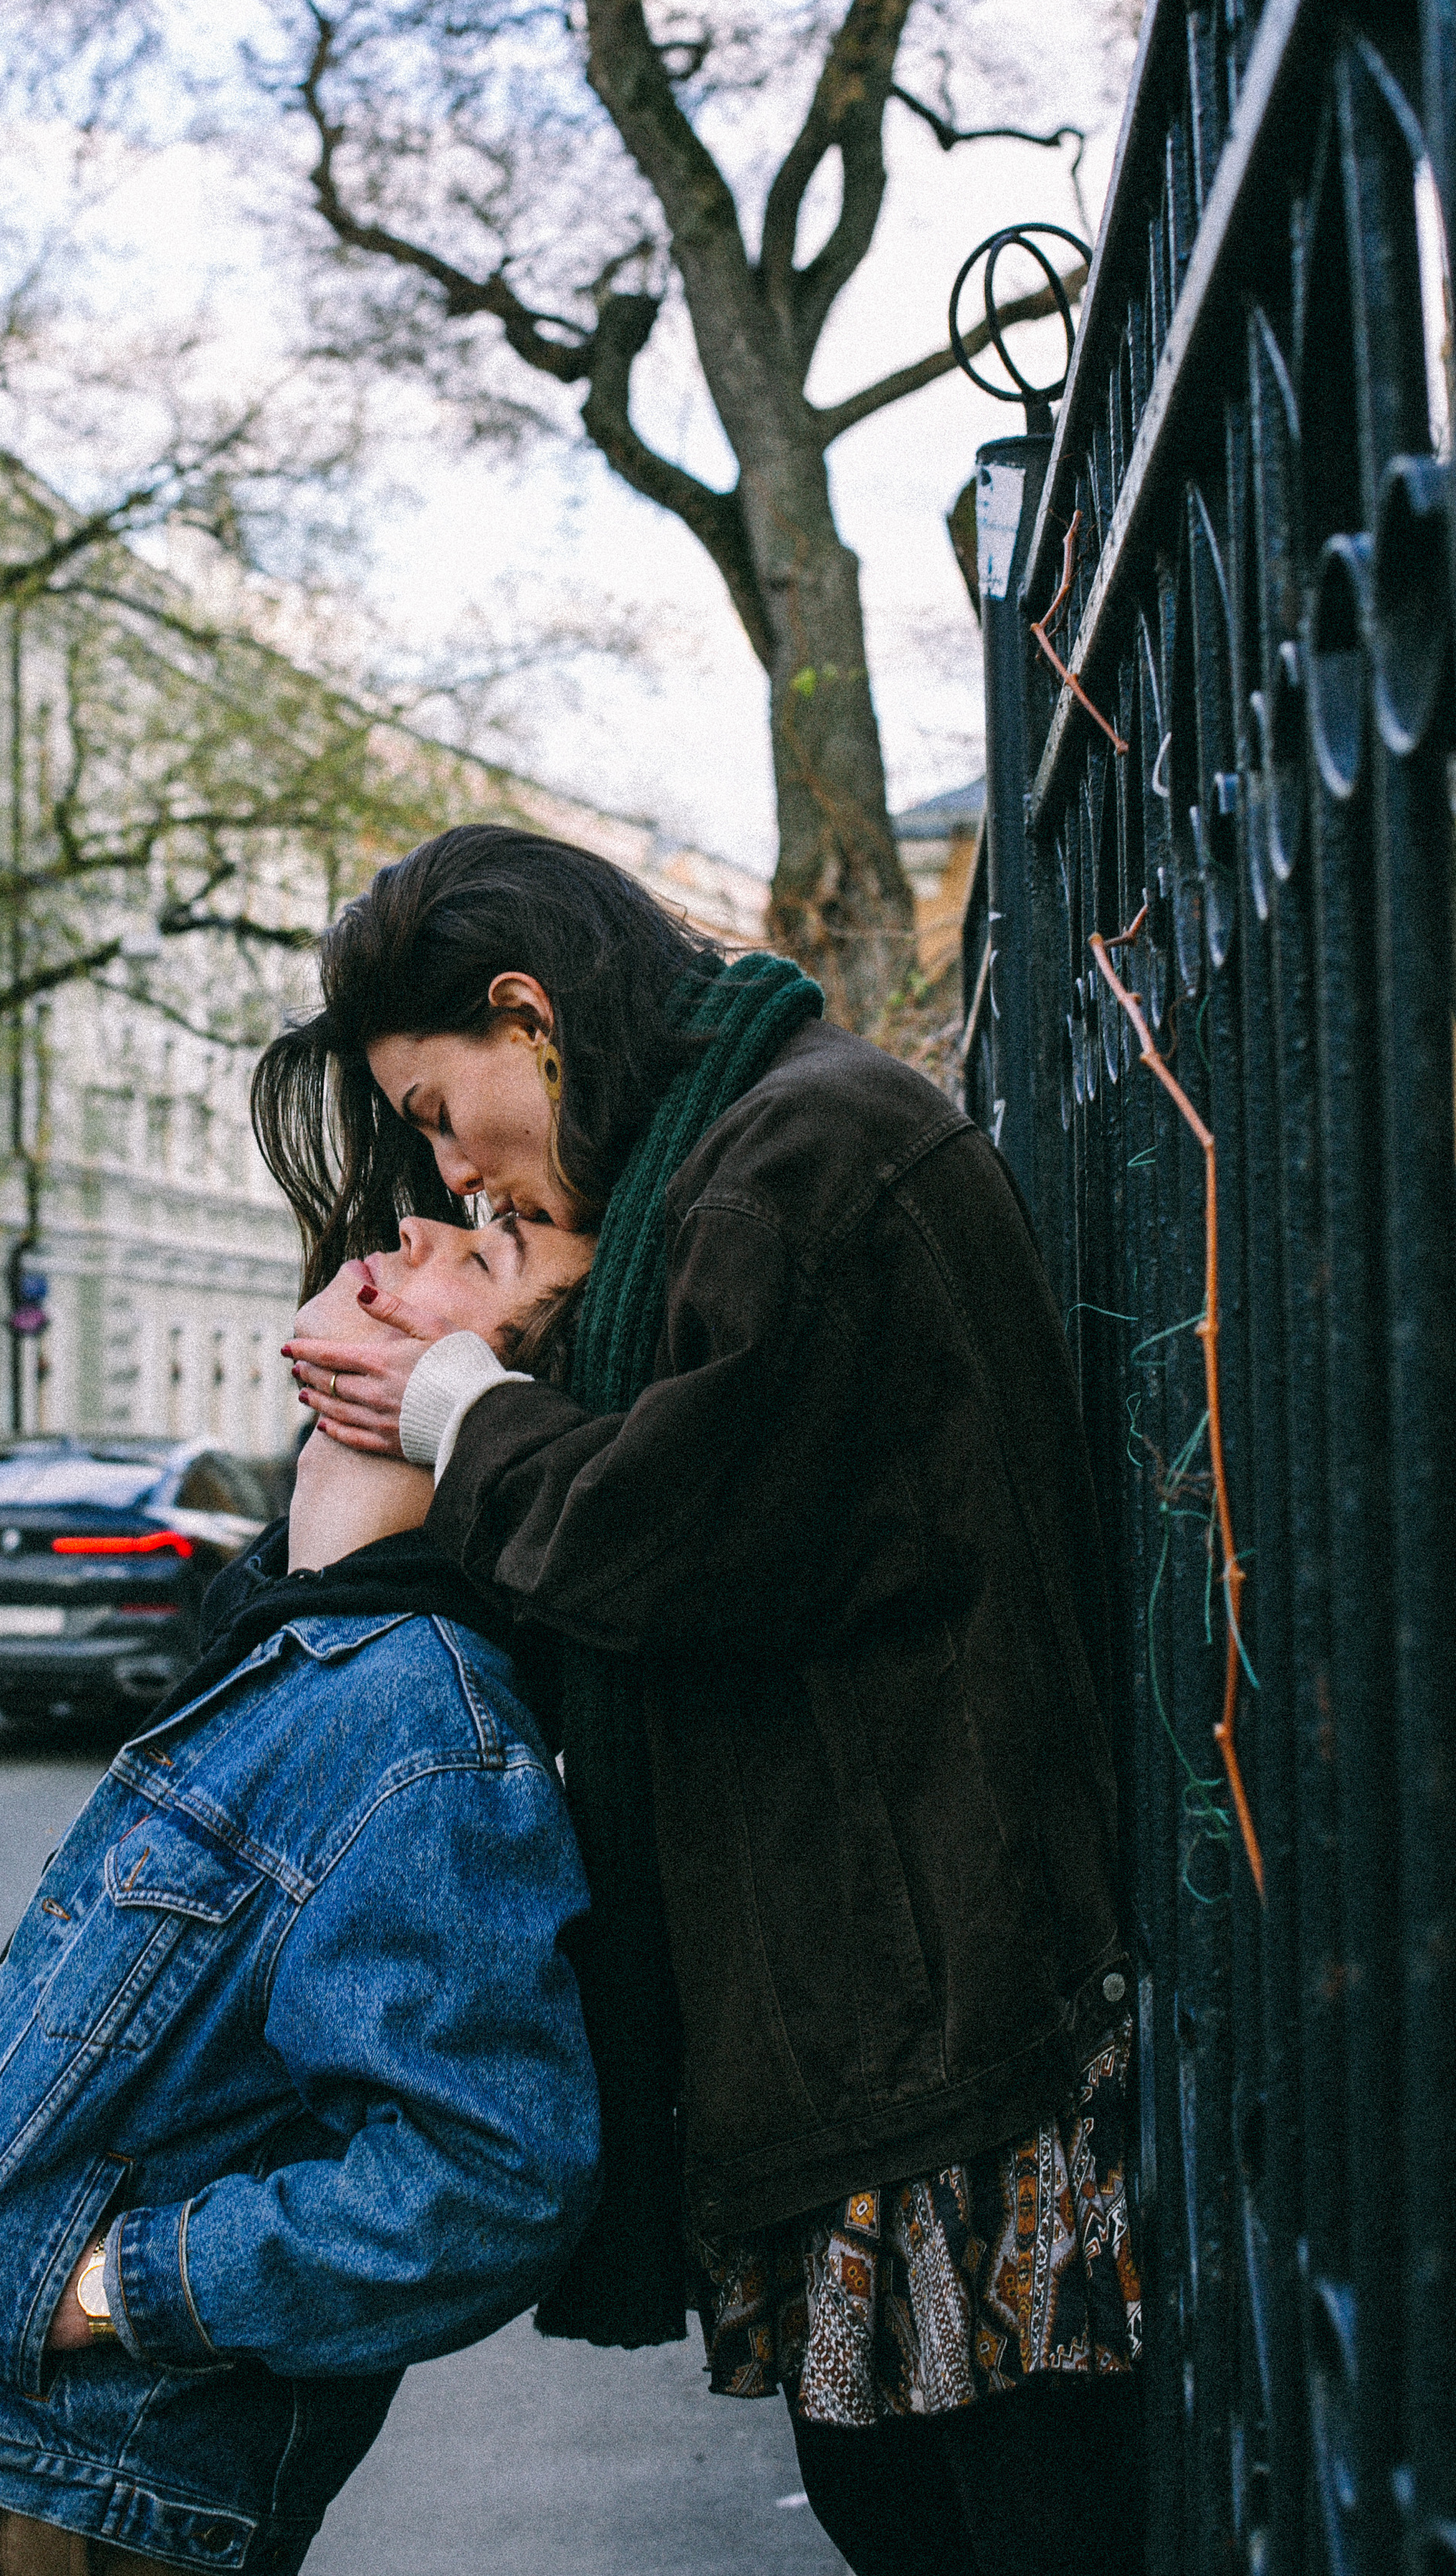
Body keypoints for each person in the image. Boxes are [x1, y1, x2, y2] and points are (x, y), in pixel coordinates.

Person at [266, 824, 1144, 2576]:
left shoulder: (803, 1153)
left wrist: (450, 1405)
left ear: (528, 1017)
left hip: (933, 2048)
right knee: (915, 2510)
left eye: (439, 1111)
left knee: (978, 2519)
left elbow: (674, 1536)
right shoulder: (728, 1166)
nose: (450, 1174)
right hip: (878, 2038)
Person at [0, 1209, 599, 2576]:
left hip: (82, 2511)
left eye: (486, 1256)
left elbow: (489, 2180)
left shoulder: (415, 1722)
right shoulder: (296, 1657)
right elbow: (40, 2095)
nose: (418, 1219)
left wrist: (105, 2290)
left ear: (484, 1406)